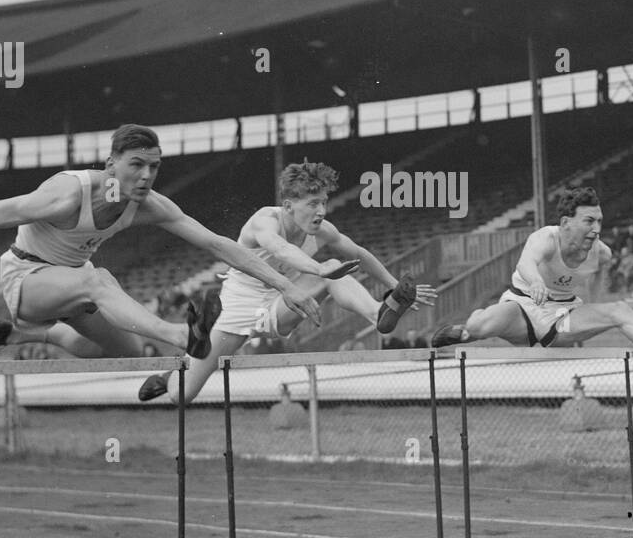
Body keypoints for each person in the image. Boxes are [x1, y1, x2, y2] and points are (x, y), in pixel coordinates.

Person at [0, 124, 322, 360]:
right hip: (26, 276)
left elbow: (219, 245)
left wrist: (286, 286)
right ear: (110, 165)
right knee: (100, 280)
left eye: (154, 166)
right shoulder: (66, 195)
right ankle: (181, 336)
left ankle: (28, 334)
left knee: (127, 351)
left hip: (69, 282)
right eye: (136, 164)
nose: (146, 175)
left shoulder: (149, 204)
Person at [138, 161, 437, 403]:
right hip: (238, 309)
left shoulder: (322, 229)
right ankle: (170, 377)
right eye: (312, 204)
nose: (321, 211)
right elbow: (282, 250)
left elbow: (359, 254)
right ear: (289, 205)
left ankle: (377, 313)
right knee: (183, 396)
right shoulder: (264, 221)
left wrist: (394, 285)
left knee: (334, 265)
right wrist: (317, 271)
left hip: (286, 300)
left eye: (323, 202)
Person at [430, 186, 633, 372]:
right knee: (479, 326)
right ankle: (463, 331)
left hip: (561, 314)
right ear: (566, 223)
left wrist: (596, 314)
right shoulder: (545, 238)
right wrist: (537, 281)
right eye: (589, 221)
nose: (597, 229)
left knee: (619, 310)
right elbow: (526, 262)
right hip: (523, 307)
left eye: (599, 221)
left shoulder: (601, 254)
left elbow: (597, 290)